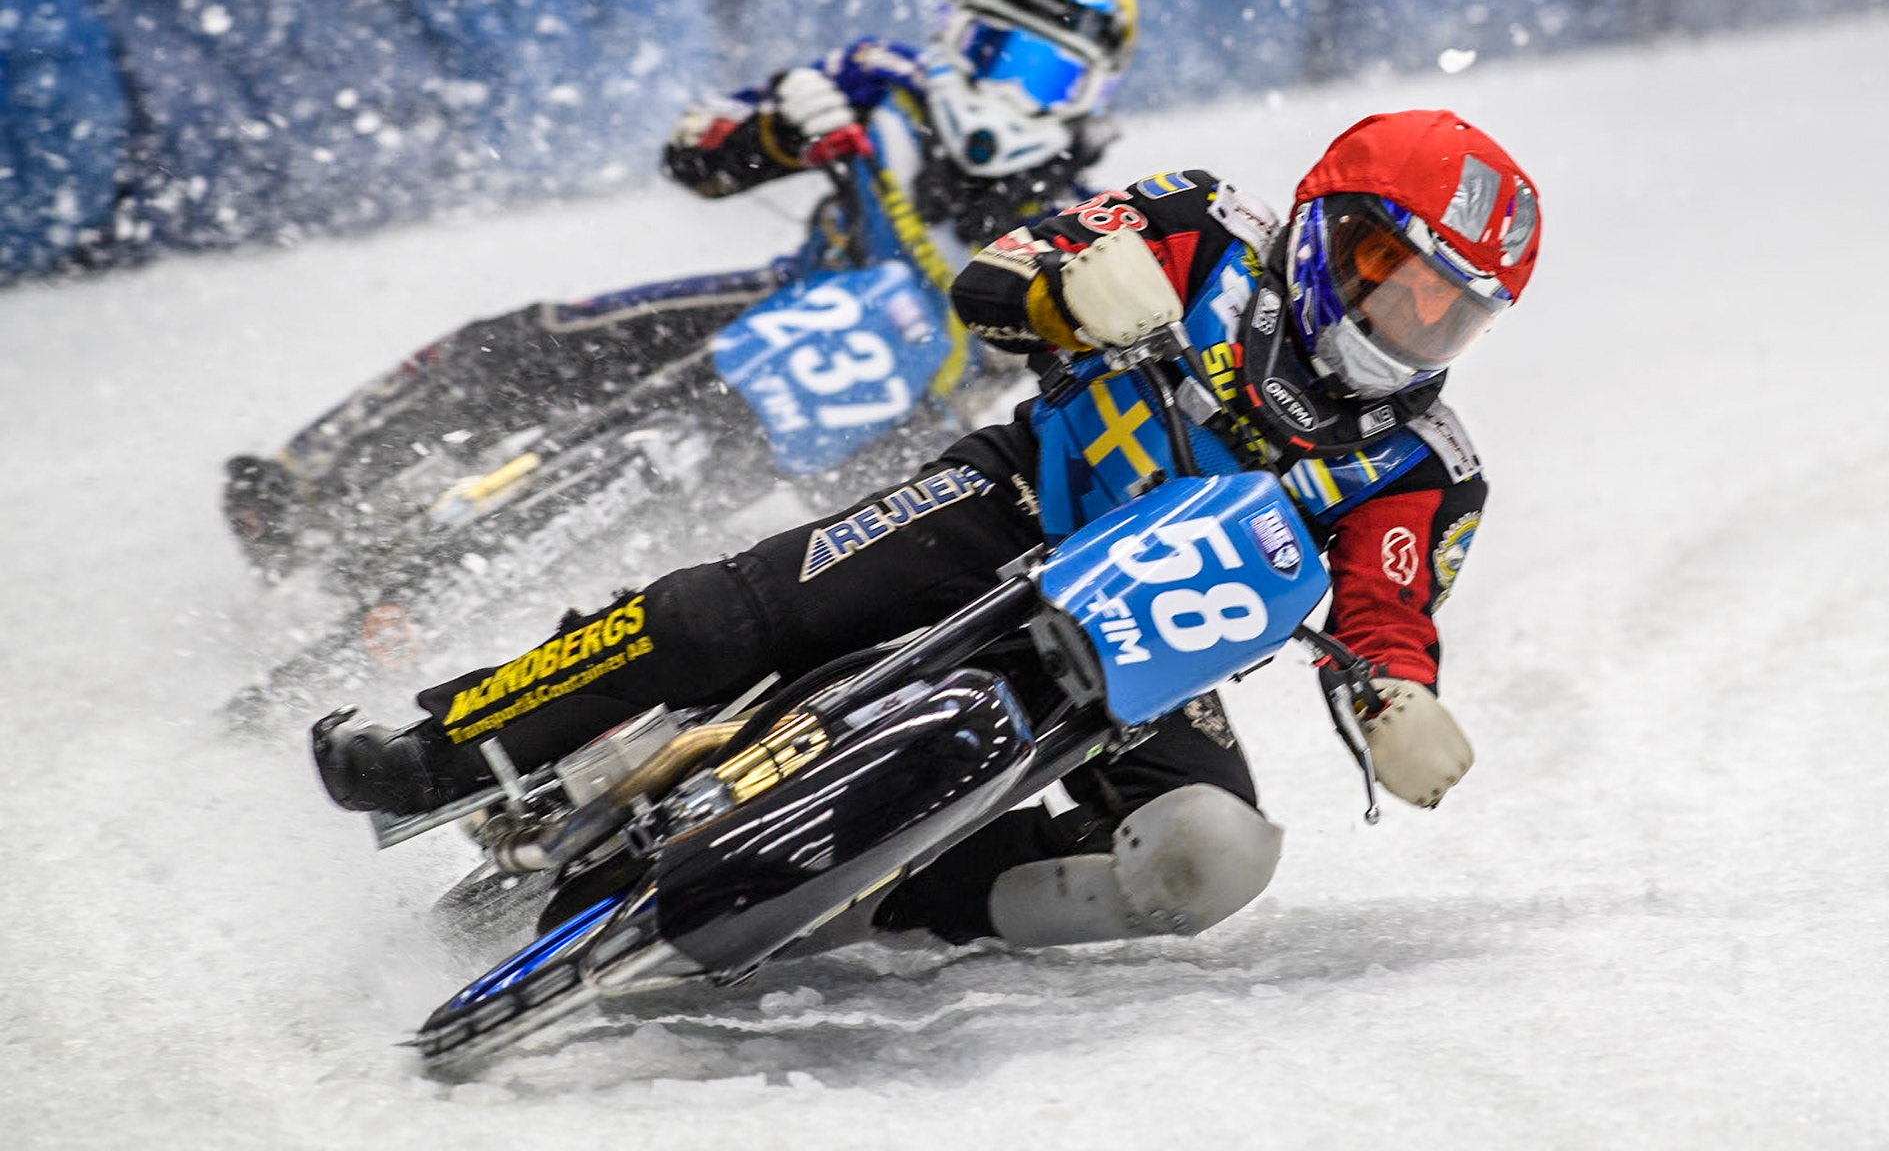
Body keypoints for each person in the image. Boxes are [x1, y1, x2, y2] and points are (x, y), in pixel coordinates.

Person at [314, 109, 1542, 948]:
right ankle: (444, 744)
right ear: (1328, 223)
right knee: (719, 615)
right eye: (1391, 267)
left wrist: (1395, 697)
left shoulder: (1428, 466)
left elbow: (1386, 609)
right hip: (1007, 497)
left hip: (1151, 658)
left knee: (1205, 855)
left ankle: (878, 906)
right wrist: (1064, 290)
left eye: (1450, 312)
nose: (1406, 318)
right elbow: (992, 280)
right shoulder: (1205, 219)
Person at [223, 0, 1139, 574]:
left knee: (766, 580)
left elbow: (1096, 379)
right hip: (778, 306)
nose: (1010, 96)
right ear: (949, 33)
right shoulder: (876, 80)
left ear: (1089, 94)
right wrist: (777, 130)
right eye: (994, 52)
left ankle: (541, 624)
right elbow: (694, 154)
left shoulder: (1083, 218)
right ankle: (309, 487)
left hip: (909, 430)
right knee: (528, 341)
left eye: (1048, 74)